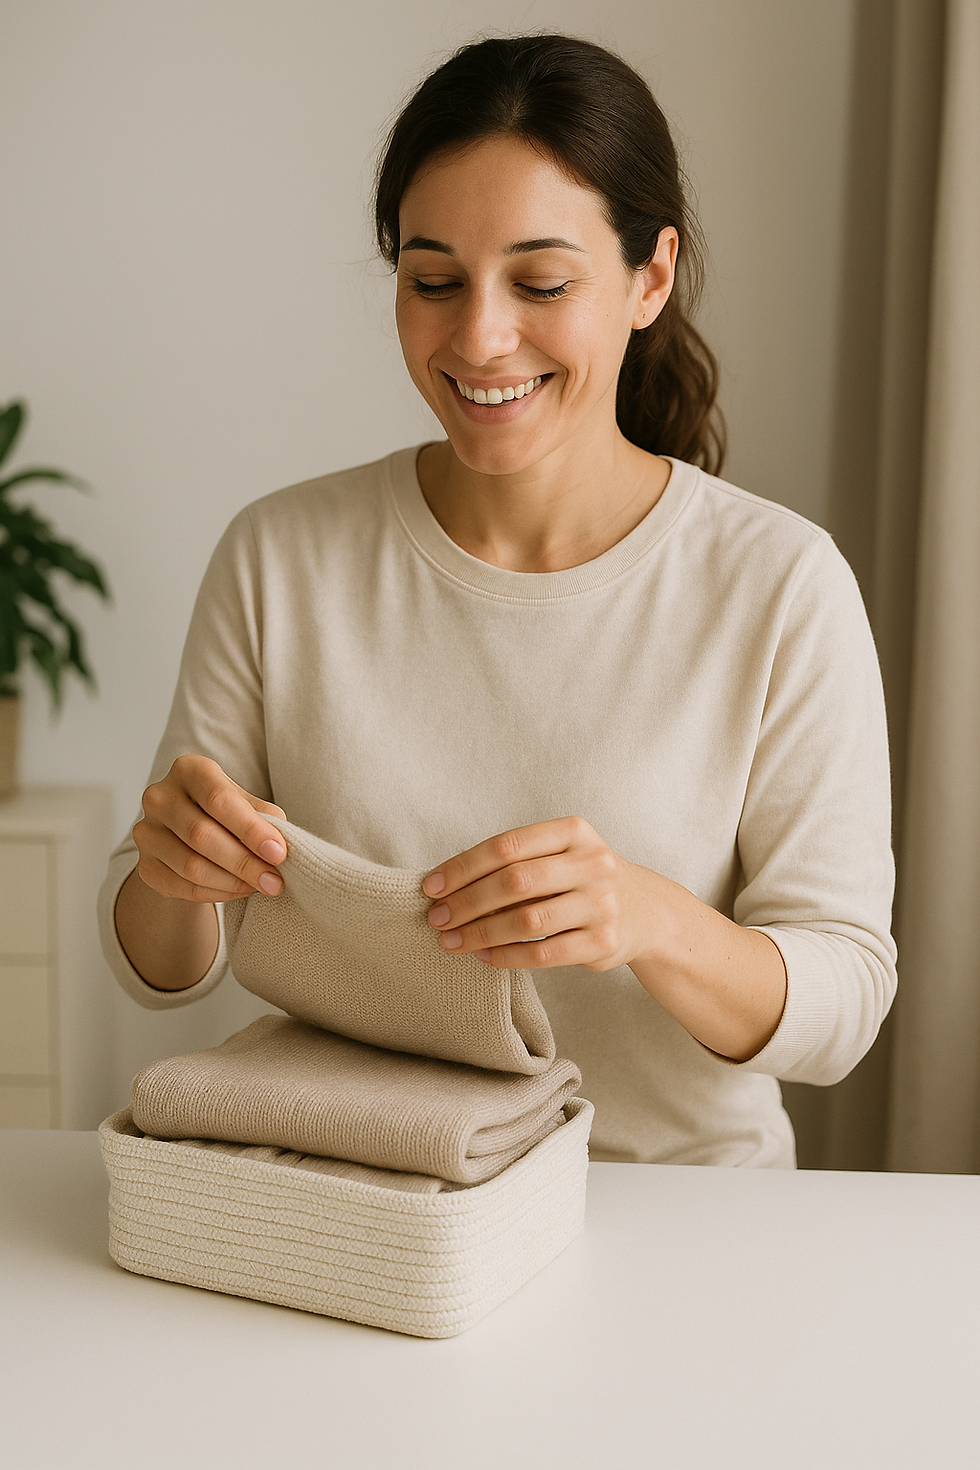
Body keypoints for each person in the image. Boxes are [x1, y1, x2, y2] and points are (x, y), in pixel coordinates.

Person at [99, 34, 896, 1168]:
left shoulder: (780, 585)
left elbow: (844, 1006)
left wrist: (650, 918)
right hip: (371, 1202)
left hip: (678, 1213)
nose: (478, 337)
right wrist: (172, 873)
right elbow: (159, 969)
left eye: (541, 283)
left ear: (650, 279)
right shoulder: (280, 556)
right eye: (433, 282)